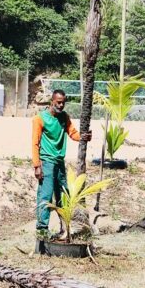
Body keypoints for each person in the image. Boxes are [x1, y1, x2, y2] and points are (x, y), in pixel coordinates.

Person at [32, 90, 91, 235]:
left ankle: (65, 228)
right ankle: (42, 229)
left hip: (59, 163)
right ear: (52, 101)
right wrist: (37, 166)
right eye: (58, 102)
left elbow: (73, 133)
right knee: (45, 196)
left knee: (63, 195)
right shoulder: (40, 119)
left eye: (63, 102)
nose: (61, 105)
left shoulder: (64, 117)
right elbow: (35, 143)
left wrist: (83, 137)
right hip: (47, 162)